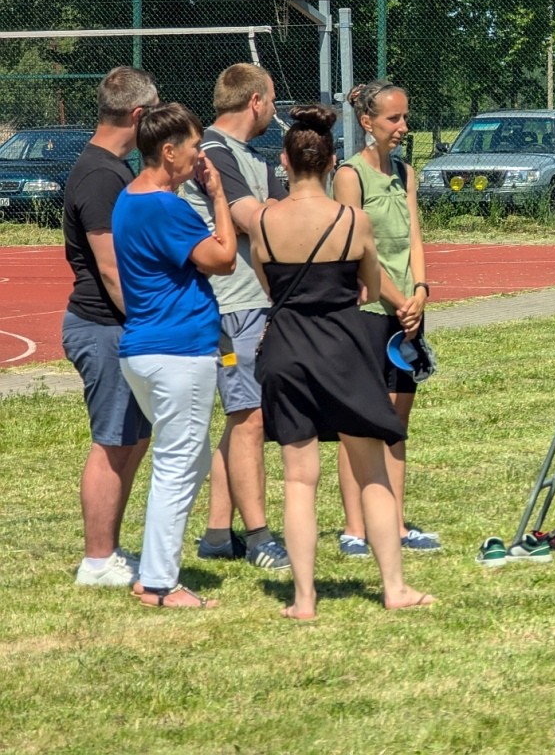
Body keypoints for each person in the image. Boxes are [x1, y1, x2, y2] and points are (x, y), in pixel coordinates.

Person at [250, 104, 436, 618]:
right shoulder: (351, 218)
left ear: (285, 164)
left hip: (286, 351)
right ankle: (395, 587)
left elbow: (271, 287)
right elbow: (372, 287)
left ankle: (304, 599)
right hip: (344, 349)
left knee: (298, 479)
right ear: (333, 162)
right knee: (371, 470)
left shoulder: (264, 221)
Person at [114, 102, 237, 609]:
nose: (199, 157)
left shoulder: (128, 199)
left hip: (145, 349)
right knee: (179, 461)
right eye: (193, 147)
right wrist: (220, 195)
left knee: (189, 457)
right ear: (168, 151)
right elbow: (224, 259)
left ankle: (153, 569)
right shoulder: (167, 207)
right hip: (177, 349)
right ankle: (159, 582)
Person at [180, 63, 290, 572]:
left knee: (243, 418)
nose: (273, 109)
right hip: (230, 307)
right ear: (256, 101)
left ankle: (219, 534)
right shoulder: (214, 155)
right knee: (250, 419)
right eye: (271, 100)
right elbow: (252, 221)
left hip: (251, 303)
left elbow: (284, 217)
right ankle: (262, 536)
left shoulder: (250, 157)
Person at [331, 80, 439, 557]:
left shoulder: (406, 173)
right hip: (368, 312)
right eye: (393, 119)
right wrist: (395, 299)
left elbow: (414, 238)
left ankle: (394, 525)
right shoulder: (349, 176)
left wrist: (419, 292)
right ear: (367, 121)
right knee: (358, 422)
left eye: (404, 117)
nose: (402, 127)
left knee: (397, 418)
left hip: (406, 313)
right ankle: (356, 528)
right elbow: (359, 250)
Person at [62, 67, 159, 587]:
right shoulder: (101, 176)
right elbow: (110, 269)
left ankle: (111, 552)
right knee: (113, 442)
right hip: (104, 327)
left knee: (131, 439)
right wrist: (150, 321)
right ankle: (97, 560)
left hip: (117, 326)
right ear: (138, 116)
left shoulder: (112, 168)